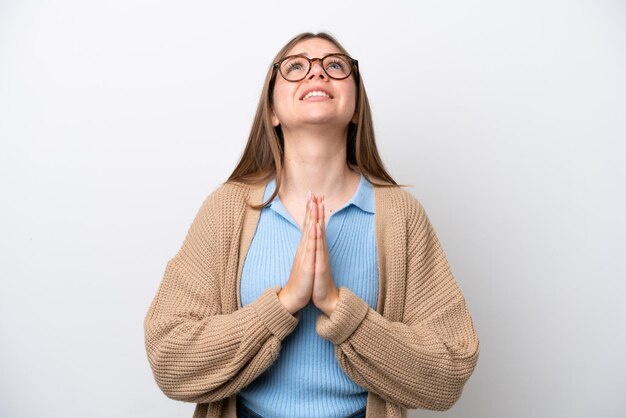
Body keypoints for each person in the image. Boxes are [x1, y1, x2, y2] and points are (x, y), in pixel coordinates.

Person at [144, 32, 479, 418]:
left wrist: (339, 308)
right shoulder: (227, 209)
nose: (316, 74)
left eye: (335, 66)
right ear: (271, 110)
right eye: (295, 67)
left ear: (356, 108)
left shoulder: (400, 215)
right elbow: (170, 361)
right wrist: (284, 303)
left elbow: (450, 372)